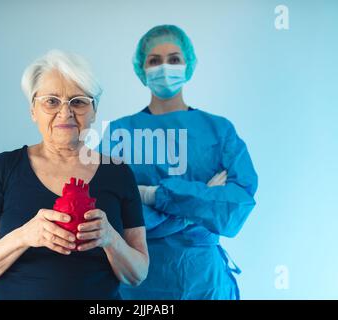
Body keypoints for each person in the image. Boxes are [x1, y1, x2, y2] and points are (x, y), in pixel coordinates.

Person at [0, 50, 149, 300]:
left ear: (94, 111)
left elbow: (138, 273)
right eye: (51, 101)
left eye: (78, 101)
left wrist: (110, 238)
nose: (65, 112)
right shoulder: (3, 168)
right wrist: (23, 236)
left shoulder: (118, 173)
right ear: (33, 110)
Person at [99, 25, 258, 299]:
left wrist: (150, 195)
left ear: (188, 65)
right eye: (154, 60)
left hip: (204, 280)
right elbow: (107, 207)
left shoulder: (218, 131)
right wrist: (197, 204)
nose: (164, 67)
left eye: (174, 59)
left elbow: (237, 204)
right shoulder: (119, 133)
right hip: (139, 277)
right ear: (141, 69)